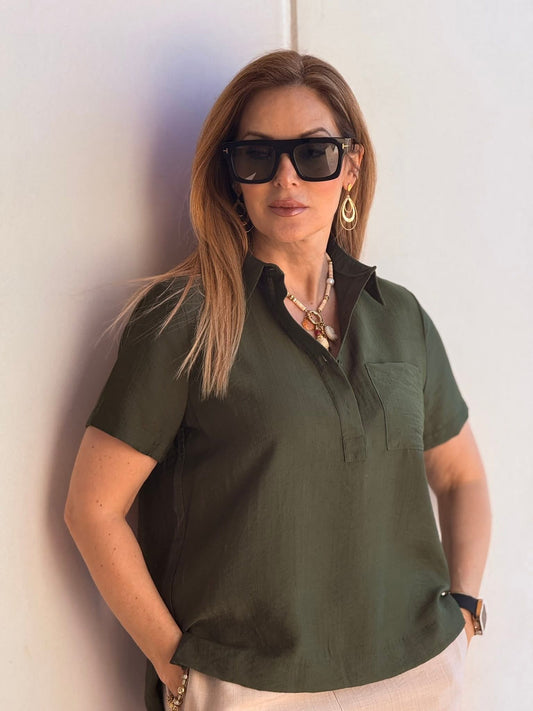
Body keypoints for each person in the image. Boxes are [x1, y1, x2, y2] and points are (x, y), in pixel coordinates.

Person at [64, 49, 491, 711]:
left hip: (415, 676)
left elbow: (461, 476)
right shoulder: (185, 318)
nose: (285, 177)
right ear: (231, 174)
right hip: (249, 689)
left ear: (351, 167)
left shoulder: (399, 317)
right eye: (257, 156)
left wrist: (463, 613)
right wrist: (181, 672)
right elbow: (92, 508)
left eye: (313, 153)